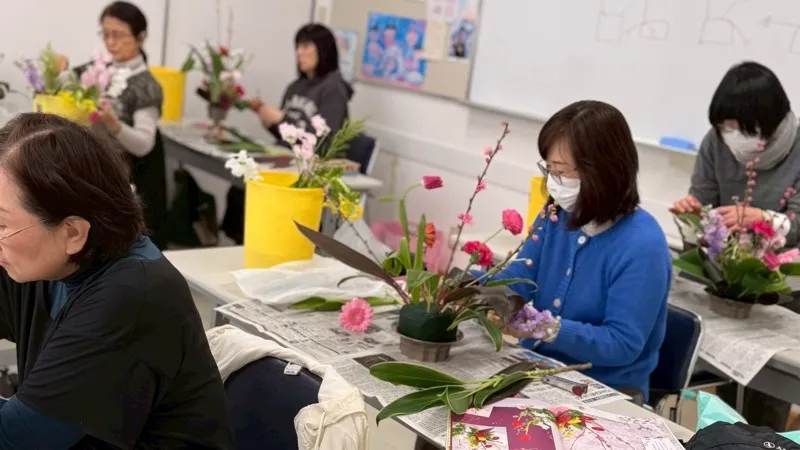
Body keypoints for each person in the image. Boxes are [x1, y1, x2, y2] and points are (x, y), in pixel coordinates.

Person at [0, 113, 232, 448]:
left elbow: (16, 439)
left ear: (73, 232)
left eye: (3, 224)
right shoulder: (46, 260)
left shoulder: (133, 295)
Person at [487, 100, 671, 399]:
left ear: (602, 171)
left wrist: (547, 328)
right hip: (539, 369)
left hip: (605, 389)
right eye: (548, 169)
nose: (552, 183)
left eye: (560, 171)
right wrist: (475, 288)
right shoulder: (555, 216)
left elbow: (622, 344)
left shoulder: (642, 244)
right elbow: (520, 277)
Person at [670, 61, 800, 430]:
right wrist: (693, 212)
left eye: (740, 128)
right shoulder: (716, 143)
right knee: (723, 388)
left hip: (783, 291)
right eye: (724, 126)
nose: (731, 136)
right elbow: (704, 201)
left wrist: (761, 218)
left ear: (769, 121)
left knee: (767, 399)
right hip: (725, 287)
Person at [221, 23, 354, 244]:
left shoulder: (334, 90)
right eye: (297, 47)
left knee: (250, 192)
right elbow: (287, 134)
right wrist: (268, 118)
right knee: (240, 185)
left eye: (305, 46)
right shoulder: (295, 87)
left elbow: (323, 142)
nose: (298, 53)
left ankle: (256, 243)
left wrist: (281, 119)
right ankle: (242, 243)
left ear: (323, 49)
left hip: (308, 168)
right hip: (285, 158)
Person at [59, 1, 169, 249]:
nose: (111, 42)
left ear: (140, 36)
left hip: (114, 178)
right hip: (81, 168)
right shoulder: (94, 70)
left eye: (118, 34)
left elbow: (143, 144)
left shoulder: (145, 86)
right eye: (106, 34)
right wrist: (59, 72)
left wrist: (113, 123)